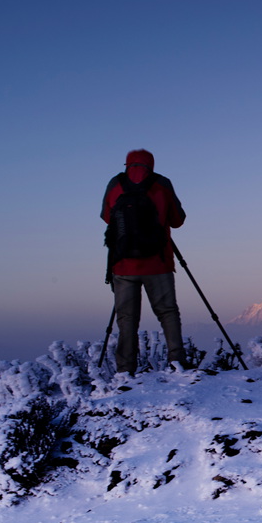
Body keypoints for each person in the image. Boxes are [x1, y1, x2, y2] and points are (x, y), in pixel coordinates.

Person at [101, 149, 189, 374]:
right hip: (158, 263)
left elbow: (106, 216)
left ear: (127, 165)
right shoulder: (161, 184)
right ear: (152, 165)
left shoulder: (115, 184)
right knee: (168, 312)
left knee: (127, 319)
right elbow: (178, 220)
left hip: (122, 265)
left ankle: (125, 370)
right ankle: (177, 363)